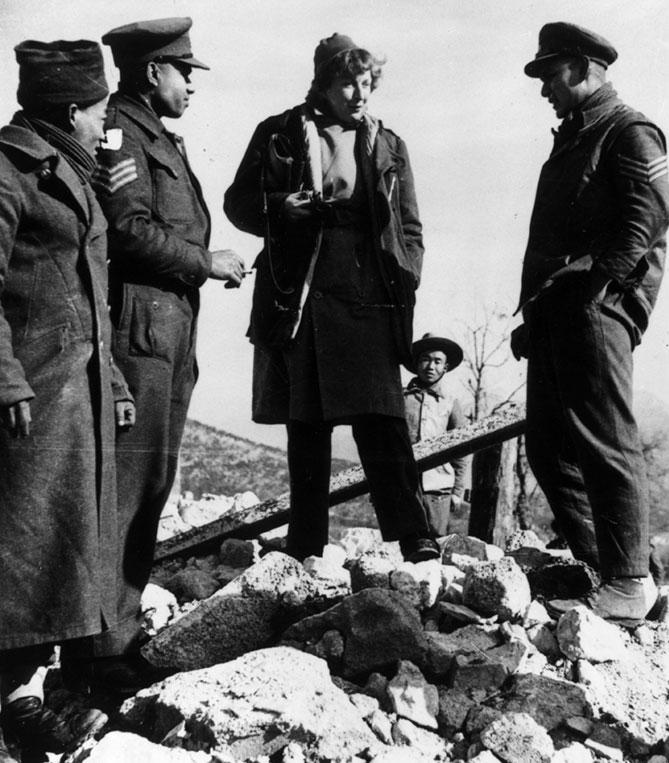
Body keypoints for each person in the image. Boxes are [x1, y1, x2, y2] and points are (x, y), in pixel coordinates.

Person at [224, 33, 438, 563]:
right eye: (347, 82)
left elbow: (409, 225)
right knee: (309, 423)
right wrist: (278, 207)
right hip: (305, 287)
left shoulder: (387, 142)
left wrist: (406, 271)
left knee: (382, 418)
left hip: (369, 289)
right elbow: (237, 204)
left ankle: (416, 540)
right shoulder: (278, 132)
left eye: (367, 82)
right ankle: (306, 546)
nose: (360, 94)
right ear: (322, 82)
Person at [83, 17, 245, 694]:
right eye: (185, 72)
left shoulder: (157, 135)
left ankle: (113, 633)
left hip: (168, 334)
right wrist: (206, 262)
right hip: (140, 333)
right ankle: (97, 650)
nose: (192, 87)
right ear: (153, 71)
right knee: (126, 489)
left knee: (150, 485)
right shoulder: (122, 131)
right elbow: (128, 230)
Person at [0, 40, 135, 759]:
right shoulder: (8, 171)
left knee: (63, 547)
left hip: (75, 395)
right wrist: (5, 378)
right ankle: (14, 703)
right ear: (72, 109)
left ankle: (36, 689)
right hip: (31, 394)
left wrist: (111, 379)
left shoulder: (77, 176)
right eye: (101, 109)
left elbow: (92, 298)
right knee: (22, 548)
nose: (106, 122)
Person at [512, 22, 669, 622]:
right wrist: (537, 314)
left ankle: (628, 581)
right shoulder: (576, 136)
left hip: (596, 307)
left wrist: (601, 287)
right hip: (560, 309)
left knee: (604, 439)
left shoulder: (627, 130)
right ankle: (612, 572)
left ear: (580, 68)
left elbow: (650, 214)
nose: (544, 88)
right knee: (550, 448)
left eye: (550, 75)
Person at [404, 333, 468, 537]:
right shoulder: (400, 398)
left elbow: (461, 450)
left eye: (437, 361)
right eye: (425, 359)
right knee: (406, 540)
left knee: (437, 540)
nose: (430, 366)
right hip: (404, 484)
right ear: (416, 363)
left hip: (438, 488)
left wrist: (458, 491)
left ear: (445, 367)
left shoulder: (450, 403)